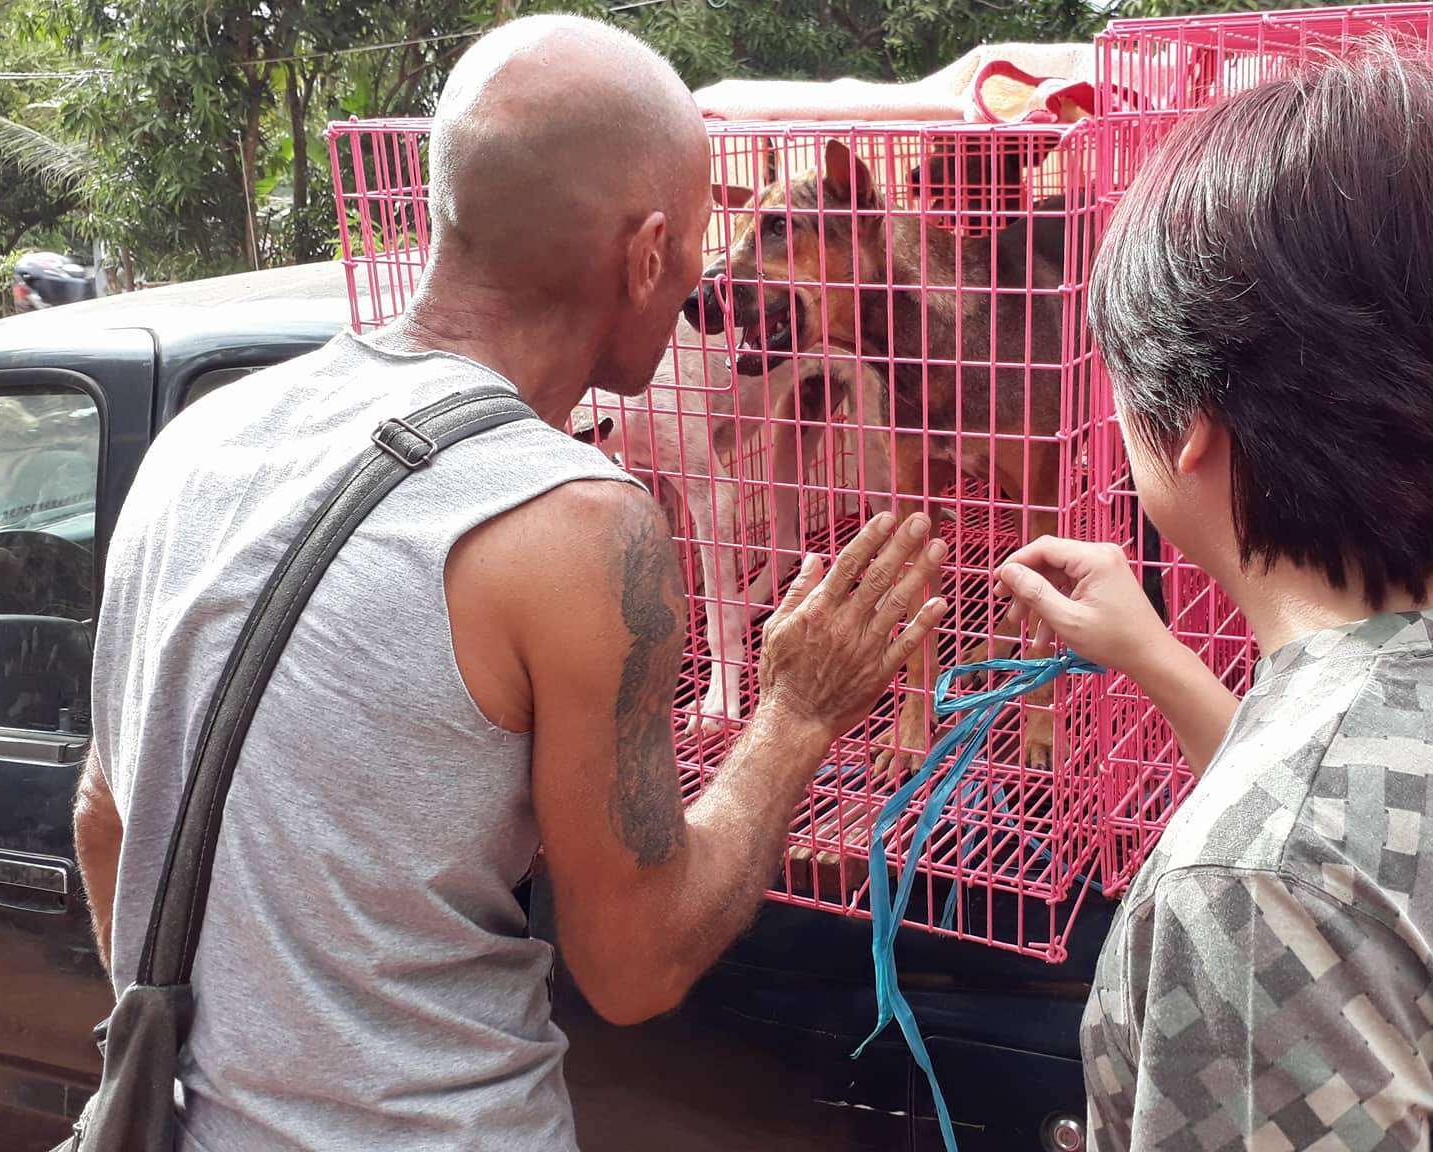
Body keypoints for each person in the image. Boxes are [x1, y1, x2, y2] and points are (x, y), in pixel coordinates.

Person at [70, 16, 947, 1150]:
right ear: (643, 255)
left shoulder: (198, 444)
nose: (702, 284)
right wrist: (793, 713)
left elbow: (105, 818)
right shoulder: (576, 525)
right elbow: (633, 964)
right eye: (691, 251)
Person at [995, 47, 1433, 1151]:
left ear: (1190, 419)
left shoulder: (1255, 906)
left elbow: (1295, 858)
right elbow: (1364, 827)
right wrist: (1156, 655)